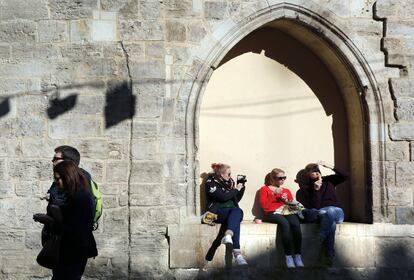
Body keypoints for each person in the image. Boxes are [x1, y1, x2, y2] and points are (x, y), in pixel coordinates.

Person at [35, 161, 98, 279]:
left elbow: (77, 229)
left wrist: (49, 220)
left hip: (73, 252)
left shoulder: (81, 197)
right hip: (65, 251)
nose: (56, 182)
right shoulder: (71, 194)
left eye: (58, 179)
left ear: (68, 177)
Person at [298, 161, 349, 265]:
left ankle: (321, 236)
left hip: (337, 212)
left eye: (317, 170)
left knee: (329, 211)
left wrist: (330, 166)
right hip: (322, 213)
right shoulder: (305, 189)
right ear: (308, 175)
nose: (316, 172)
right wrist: (316, 190)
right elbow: (315, 207)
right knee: (330, 222)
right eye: (313, 171)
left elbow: (346, 176)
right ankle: (329, 255)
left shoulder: (329, 180)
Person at [259, 168, 304, 268]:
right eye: (280, 178)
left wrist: (286, 200)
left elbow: (292, 204)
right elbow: (264, 206)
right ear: (273, 178)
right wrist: (274, 194)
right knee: (285, 224)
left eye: (284, 178)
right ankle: (288, 256)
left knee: (296, 224)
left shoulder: (286, 190)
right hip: (272, 213)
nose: (282, 180)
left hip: (286, 211)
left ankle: (297, 255)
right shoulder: (264, 189)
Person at [205, 163, 248, 266]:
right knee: (237, 214)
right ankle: (237, 253)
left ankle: (228, 235)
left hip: (231, 212)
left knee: (236, 214)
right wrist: (235, 189)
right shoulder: (211, 182)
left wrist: (241, 188)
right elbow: (223, 197)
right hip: (216, 212)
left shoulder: (230, 183)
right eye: (228, 174)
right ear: (221, 175)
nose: (230, 176)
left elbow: (236, 199)